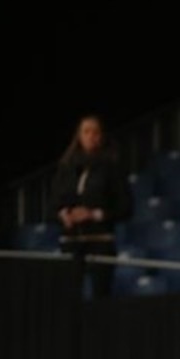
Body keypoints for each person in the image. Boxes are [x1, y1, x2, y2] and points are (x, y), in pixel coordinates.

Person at [49, 114, 132, 299]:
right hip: (71, 242)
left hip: (100, 242)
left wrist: (93, 214)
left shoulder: (112, 167)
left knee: (100, 296)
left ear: (101, 136)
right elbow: (53, 205)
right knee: (69, 296)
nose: (91, 136)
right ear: (79, 136)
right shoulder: (66, 168)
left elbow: (126, 207)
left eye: (95, 132)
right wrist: (64, 214)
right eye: (86, 132)